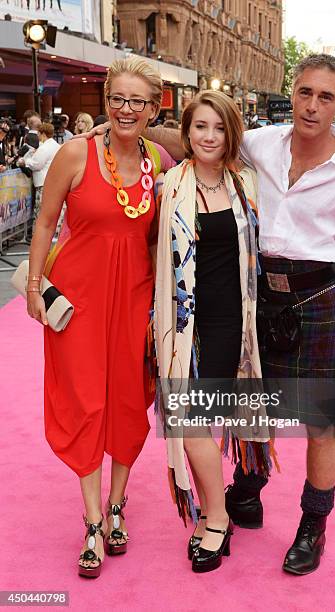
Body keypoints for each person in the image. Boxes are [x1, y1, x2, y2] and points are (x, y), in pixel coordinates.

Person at [139, 53, 335, 576]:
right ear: (292, 93)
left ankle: (313, 526)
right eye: (305, 93)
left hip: (321, 299)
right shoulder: (260, 143)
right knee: (254, 402)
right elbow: (202, 136)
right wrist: (124, 125)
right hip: (256, 296)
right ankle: (247, 491)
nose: (312, 106)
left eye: (326, 97)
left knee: (322, 423)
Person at [27, 56, 174, 579]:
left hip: (135, 301)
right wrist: (32, 289)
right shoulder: (74, 153)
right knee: (86, 402)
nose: (126, 109)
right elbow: (44, 225)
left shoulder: (159, 160)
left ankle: (117, 506)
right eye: (118, 99)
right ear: (106, 102)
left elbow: (160, 238)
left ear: (154, 108)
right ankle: (92, 520)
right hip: (80, 301)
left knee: (130, 402)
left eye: (138, 101)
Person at [154, 90, 274, 574]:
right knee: (186, 421)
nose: (208, 136)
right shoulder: (168, 186)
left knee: (196, 420)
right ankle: (217, 514)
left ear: (231, 135)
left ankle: (215, 516)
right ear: (187, 132)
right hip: (180, 323)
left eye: (219, 128)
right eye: (200, 126)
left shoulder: (245, 183)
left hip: (230, 323)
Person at [17, 123, 60, 226]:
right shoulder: (56, 145)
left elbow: (36, 165)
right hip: (53, 182)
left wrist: (24, 162)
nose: (38, 136)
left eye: (39, 134)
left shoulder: (44, 147)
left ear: (43, 134)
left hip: (43, 183)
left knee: (41, 212)